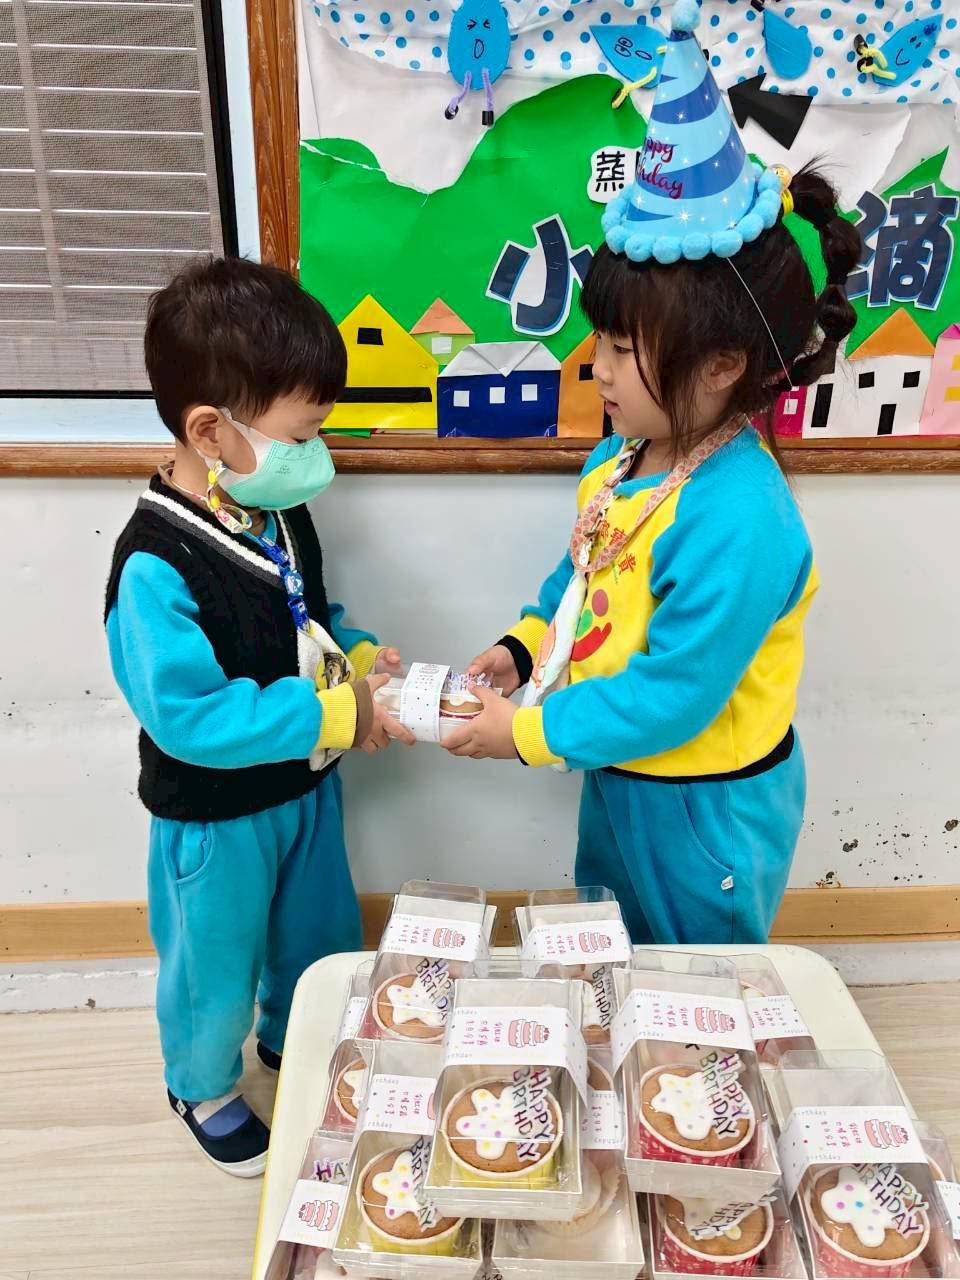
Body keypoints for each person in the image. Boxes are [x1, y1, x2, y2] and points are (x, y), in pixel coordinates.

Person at [445, 0, 861, 948]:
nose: (597, 368)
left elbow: (676, 692)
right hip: (619, 770)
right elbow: (581, 575)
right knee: (609, 949)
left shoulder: (740, 518)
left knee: (698, 982)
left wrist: (525, 734)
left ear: (721, 366)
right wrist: (524, 648)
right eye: (600, 339)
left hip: (704, 806)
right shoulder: (618, 458)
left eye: (624, 350)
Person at [104, 257, 414, 1176]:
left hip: (305, 792)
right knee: (213, 964)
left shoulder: (274, 511)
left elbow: (306, 616)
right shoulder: (155, 566)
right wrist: (334, 714)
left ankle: (297, 1036)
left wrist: (358, 661)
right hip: (215, 818)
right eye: (303, 433)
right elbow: (190, 717)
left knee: (315, 938)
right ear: (211, 430)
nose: (315, 454)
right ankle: (200, 1083)